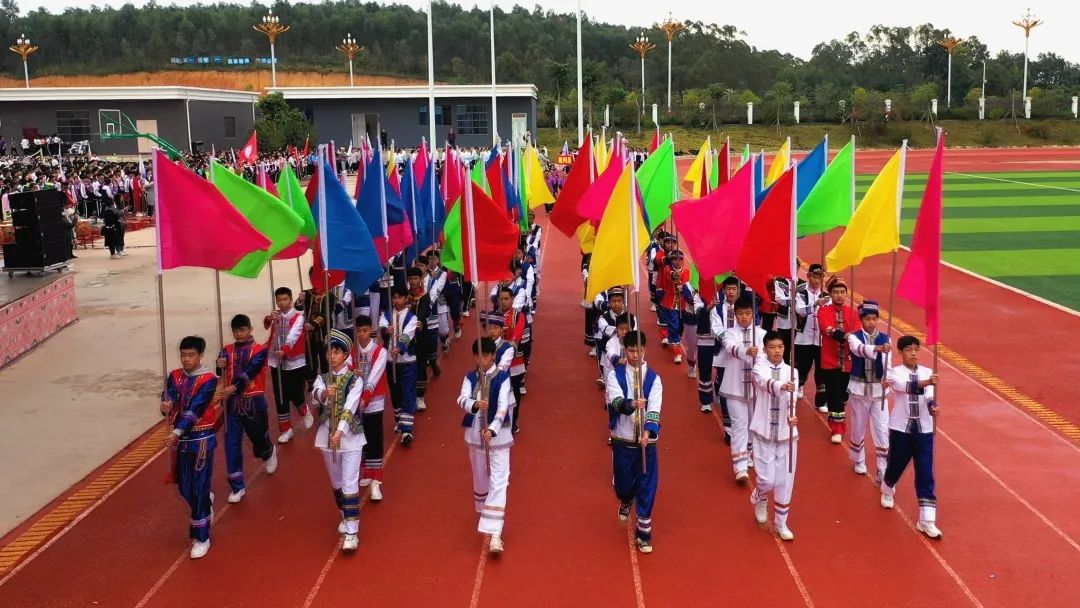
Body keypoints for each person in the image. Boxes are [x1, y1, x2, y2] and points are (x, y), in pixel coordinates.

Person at [160, 336, 219, 559]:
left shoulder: (208, 380)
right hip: (182, 442)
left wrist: (176, 431)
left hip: (201, 440)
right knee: (184, 488)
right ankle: (206, 502)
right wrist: (165, 404)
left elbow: (195, 410)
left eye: (191, 355)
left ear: (201, 355)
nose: (186, 359)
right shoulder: (175, 376)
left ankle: (202, 536)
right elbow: (170, 396)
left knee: (198, 488)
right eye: (183, 355)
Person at [457, 337, 515, 555]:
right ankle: (485, 513)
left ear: (493, 357)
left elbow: (503, 407)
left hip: (499, 437)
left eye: (486, 356)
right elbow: (461, 399)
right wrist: (473, 404)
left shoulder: (503, 378)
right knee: (480, 476)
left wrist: (493, 428)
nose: (482, 360)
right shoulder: (470, 377)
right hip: (474, 435)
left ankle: (495, 534)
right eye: (478, 356)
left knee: (500, 480)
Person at [606, 330, 662, 554]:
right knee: (624, 483)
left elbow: (655, 407)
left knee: (647, 485)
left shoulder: (654, 378)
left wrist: (649, 431)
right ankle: (625, 499)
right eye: (631, 350)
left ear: (645, 349)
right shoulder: (615, 375)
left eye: (639, 350)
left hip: (646, 442)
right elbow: (615, 400)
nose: (635, 355)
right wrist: (631, 404)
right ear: (625, 351)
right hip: (623, 437)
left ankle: (644, 533)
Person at [881, 335, 941, 539]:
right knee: (896, 465)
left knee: (925, 472)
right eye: (909, 349)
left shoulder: (928, 371)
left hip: (924, 430)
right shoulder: (893, 373)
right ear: (900, 352)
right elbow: (905, 387)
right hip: (901, 429)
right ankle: (887, 487)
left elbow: (931, 396)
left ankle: (927, 520)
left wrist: (933, 408)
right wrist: (926, 382)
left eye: (916, 349)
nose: (913, 353)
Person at [311, 330, 366, 552]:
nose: (332, 356)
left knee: (349, 482)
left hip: (350, 439)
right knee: (336, 483)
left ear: (345, 354)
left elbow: (351, 407)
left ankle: (352, 532)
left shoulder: (355, 379)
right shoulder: (323, 378)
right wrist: (325, 395)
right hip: (326, 438)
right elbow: (315, 394)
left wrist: (340, 432)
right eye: (329, 352)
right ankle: (345, 515)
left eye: (336, 352)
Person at [217, 315, 278, 504]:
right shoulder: (226, 350)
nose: (238, 334)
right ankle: (237, 485)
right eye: (235, 331)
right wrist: (220, 366)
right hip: (232, 405)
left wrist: (234, 388)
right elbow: (219, 372)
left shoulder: (259, 351)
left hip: (253, 402)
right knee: (231, 443)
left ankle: (268, 451)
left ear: (250, 329)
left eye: (242, 330)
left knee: (258, 438)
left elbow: (249, 372)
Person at [749, 332, 799, 541]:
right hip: (763, 431)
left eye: (780, 347)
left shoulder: (792, 370)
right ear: (765, 349)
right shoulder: (759, 368)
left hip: (786, 434)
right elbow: (764, 383)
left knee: (785, 479)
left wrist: (793, 415)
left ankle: (781, 522)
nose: (777, 351)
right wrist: (781, 386)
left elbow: (794, 397)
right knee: (766, 480)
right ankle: (760, 496)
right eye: (772, 347)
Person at [717, 296, 766, 482]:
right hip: (734, 388)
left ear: (753, 314)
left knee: (753, 425)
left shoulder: (761, 334)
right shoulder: (729, 333)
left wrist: (758, 355)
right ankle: (740, 467)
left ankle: (748, 452)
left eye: (747, 313)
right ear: (734, 315)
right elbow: (730, 348)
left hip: (756, 389)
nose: (744, 317)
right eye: (740, 313)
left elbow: (765, 357)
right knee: (739, 425)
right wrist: (746, 352)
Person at [846, 301, 892, 481]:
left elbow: (888, 363)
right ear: (861, 320)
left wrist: (888, 377)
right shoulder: (853, 337)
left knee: (882, 429)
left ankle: (883, 467)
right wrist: (878, 349)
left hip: (879, 392)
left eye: (874, 319)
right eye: (867, 319)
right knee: (858, 427)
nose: (871, 322)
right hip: (859, 390)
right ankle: (858, 459)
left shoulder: (886, 339)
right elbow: (859, 351)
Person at [264, 287, 314, 444]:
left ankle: (304, 409)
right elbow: (266, 326)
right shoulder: (275, 316)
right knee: (280, 395)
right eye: (279, 300)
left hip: (294, 361)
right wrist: (268, 320)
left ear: (291, 300)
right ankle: (286, 429)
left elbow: (293, 337)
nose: (282, 303)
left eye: (285, 299)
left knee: (295, 392)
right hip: (276, 360)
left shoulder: (298, 317)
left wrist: (285, 350)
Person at [817, 276, 859, 444]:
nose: (839, 295)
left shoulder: (854, 313)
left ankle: (839, 418)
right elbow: (825, 328)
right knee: (834, 395)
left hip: (849, 362)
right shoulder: (824, 311)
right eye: (836, 292)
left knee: (844, 396)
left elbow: (857, 332)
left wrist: (852, 336)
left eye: (842, 292)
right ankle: (837, 428)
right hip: (830, 361)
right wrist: (843, 335)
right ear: (830, 294)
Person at [353, 315, 388, 501]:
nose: (361, 334)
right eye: (358, 331)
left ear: (371, 330)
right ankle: (366, 471)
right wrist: (352, 372)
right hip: (355, 402)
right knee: (361, 437)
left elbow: (375, 376)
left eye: (365, 330)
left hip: (373, 401)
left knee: (374, 438)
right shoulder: (351, 351)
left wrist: (366, 396)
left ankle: (376, 481)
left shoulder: (379, 351)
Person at [379, 286, 418, 446]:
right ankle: (399, 419)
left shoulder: (412, 317)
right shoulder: (386, 314)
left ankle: (407, 430)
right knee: (394, 391)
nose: (397, 301)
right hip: (390, 360)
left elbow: (408, 334)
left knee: (407, 391)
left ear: (406, 299)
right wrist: (385, 330)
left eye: (400, 297)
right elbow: (381, 326)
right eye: (394, 298)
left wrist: (400, 347)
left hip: (407, 360)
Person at [794, 264, 828, 410]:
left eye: (819, 277)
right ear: (808, 276)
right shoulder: (801, 292)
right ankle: (799, 385)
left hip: (821, 339)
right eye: (814, 276)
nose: (816, 280)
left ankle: (820, 401)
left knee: (822, 370)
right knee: (802, 366)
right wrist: (815, 304)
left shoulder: (826, 296)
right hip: (804, 337)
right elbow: (800, 310)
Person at [408, 265, 437, 412]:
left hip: (420, 337)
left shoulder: (424, 296)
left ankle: (420, 396)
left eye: (415, 278)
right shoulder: (404, 296)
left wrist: (414, 323)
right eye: (411, 279)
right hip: (406, 339)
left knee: (420, 366)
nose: (413, 281)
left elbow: (423, 313)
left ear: (420, 280)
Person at [498, 287, 527, 434]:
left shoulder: (518, 316)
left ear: (512, 299)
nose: (503, 302)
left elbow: (517, 336)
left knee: (514, 393)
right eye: (501, 299)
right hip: (495, 362)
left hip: (515, 362)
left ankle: (513, 421)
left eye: (506, 299)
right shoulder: (493, 316)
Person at [655, 250, 691, 364]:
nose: (678, 261)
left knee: (680, 327)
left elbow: (688, 285)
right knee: (674, 326)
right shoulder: (667, 270)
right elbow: (670, 276)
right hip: (670, 303)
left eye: (680, 259)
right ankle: (677, 352)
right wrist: (674, 276)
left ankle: (674, 338)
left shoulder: (687, 271)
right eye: (675, 259)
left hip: (683, 304)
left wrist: (684, 287)